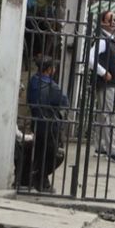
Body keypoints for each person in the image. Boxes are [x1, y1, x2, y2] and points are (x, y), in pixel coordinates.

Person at [88, 10, 115, 164]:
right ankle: (112, 150)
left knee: (103, 114)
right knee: (108, 115)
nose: (114, 23)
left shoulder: (111, 40)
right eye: (111, 20)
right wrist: (103, 72)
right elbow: (90, 59)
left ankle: (100, 145)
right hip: (106, 84)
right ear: (103, 22)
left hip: (113, 82)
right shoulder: (102, 40)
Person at [25, 57, 68, 193]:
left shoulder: (33, 81)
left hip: (36, 122)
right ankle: (40, 178)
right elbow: (64, 102)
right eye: (53, 68)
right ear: (49, 70)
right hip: (50, 125)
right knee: (55, 155)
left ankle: (37, 179)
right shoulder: (52, 86)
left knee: (39, 152)